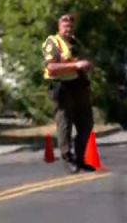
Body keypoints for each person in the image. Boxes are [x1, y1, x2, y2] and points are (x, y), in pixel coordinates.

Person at [43, 12, 94, 173]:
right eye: (65, 24)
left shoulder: (75, 43)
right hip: (62, 87)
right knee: (65, 123)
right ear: (59, 26)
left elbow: (82, 60)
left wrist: (87, 65)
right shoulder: (53, 43)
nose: (68, 27)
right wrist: (76, 66)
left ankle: (80, 158)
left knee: (86, 123)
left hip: (79, 86)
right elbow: (51, 68)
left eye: (71, 24)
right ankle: (68, 158)